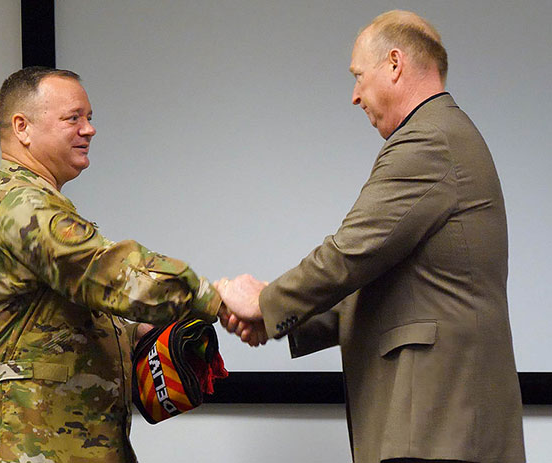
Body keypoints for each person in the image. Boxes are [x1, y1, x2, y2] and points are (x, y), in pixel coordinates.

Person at [216, 10, 526, 463]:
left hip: (440, 427)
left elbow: (348, 256)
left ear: (395, 64)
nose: (355, 96)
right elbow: (380, 287)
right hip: (441, 425)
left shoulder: (428, 140)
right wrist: (278, 318)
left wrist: (264, 303)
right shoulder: (440, 135)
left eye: (359, 76)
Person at [0, 67, 223, 463]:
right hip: (24, 446)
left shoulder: (31, 202)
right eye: (73, 118)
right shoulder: (20, 206)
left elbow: (50, 330)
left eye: (89, 117)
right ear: (22, 127)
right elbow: (108, 272)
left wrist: (135, 336)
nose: (89, 129)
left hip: (63, 444)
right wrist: (216, 298)